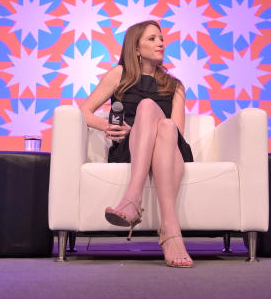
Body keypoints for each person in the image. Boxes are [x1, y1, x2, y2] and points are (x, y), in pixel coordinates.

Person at [81, 20, 194, 268]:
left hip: (168, 149)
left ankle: (133, 200)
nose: (161, 43)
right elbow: (85, 112)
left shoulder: (175, 86)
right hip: (130, 148)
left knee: (162, 124)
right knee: (148, 110)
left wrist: (151, 123)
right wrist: (108, 127)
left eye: (161, 38)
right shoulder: (118, 75)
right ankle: (170, 232)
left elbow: (177, 132)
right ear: (135, 48)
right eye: (152, 39)